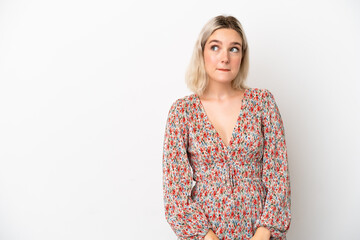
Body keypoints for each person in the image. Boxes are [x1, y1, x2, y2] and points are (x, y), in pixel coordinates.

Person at [162, 15, 291, 240]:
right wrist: (207, 237)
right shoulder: (182, 112)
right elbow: (175, 194)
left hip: (260, 233)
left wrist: (262, 235)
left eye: (234, 49)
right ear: (202, 52)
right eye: (215, 47)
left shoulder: (262, 103)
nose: (225, 58)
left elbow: (279, 176)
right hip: (205, 235)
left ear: (242, 56)